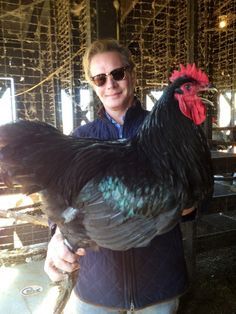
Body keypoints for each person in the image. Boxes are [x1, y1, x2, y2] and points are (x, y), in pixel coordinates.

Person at [44, 39, 192, 314]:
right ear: (93, 84)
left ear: (132, 74)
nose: (109, 84)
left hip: (158, 282)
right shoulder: (80, 139)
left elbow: (193, 200)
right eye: (100, 78)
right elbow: (59, 200)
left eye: (117, 74)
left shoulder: (168, 132)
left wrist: (189, 205)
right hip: (98, 286)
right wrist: (56, 236)